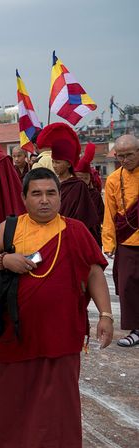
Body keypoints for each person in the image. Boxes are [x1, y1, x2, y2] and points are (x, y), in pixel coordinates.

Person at [0, 167, 114, 448]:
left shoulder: (74, 230)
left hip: (62, 329)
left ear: (60, 197)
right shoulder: (10, 228)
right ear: (24, 198)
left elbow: (94, 273)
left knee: (56, 396)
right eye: (36, 194)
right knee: (14, 390)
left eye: (51, 193)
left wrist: (106, 315)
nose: (44, 200)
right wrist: (5, 259)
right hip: (18, 329)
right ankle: (7, 442)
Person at [37, 123, 101, 243]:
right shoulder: (51, 183)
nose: (54, 166)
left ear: (68, 163)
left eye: (58, 162)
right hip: (51, 234)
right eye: (53, 162)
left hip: (72, 237)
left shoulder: (78, 186)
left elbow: (84, 217)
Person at [103, 134, 139, 347]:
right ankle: (136, 329)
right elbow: (110, 213)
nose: (124, 160)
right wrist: (109, 242)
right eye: (120, 156)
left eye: (129, 155)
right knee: (127, 286)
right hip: (127, 240)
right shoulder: (114, 179)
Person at [75, 143, 105, 245]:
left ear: (90, 179)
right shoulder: (70, 193)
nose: (82, 181)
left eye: (85, 178)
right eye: (79, 178)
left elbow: (102, 216)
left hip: (93, 235)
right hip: (75, 235)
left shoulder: (94, 195)